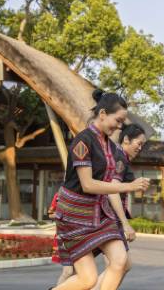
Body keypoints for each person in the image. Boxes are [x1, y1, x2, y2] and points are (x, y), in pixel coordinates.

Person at [51, 89, 150, 290]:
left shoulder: (111, 147)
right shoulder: (83, 141)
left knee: (121, 261)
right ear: (103, 114)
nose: (120, 127)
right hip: (75, 216)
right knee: (87, 280)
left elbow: (109, 185)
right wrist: (129, 186)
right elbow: (87, 184)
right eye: (118, 120)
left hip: (99, 215)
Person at [92, 122, 148, 290]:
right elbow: (113, 190)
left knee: (122, 265)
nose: (140, 148)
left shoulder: (118, 155)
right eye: (138, 143)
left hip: (106, 216)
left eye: (142, 145)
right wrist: (125, 223)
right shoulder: (120, 158)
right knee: (120, 264)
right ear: (126, 140)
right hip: (109, 218)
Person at [49, 192, 74, 285]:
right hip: (63, 236)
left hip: (79, 237)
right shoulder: (58, 195)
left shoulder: (83, 193)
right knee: (68, 271)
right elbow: (50, 214)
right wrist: (60, 215)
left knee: (78, 273)